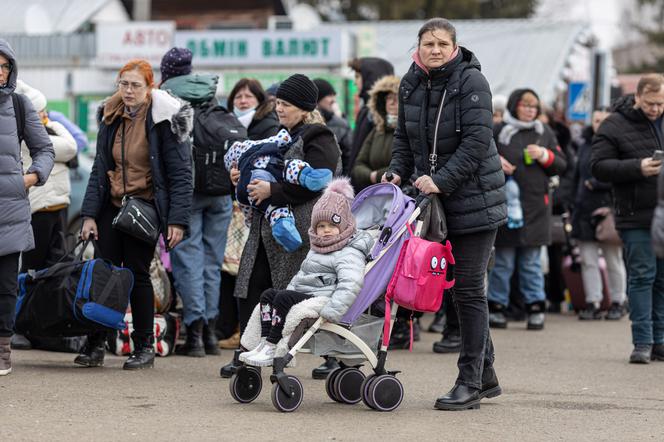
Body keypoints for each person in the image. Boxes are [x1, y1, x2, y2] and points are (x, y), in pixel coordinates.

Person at [384, 18, 506, 410]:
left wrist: (440, 180)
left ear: (454, 47)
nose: (434, 49)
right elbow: (404, 137)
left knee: (469, 290)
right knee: (454, 288)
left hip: (475, 201)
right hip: (434, 202)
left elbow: (477, 141)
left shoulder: (472, 82)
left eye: (442, 43)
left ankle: (469, 380)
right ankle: (485, 375)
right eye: (428, 43)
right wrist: (398, 169)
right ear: (417, 47)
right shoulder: (410, 82)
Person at [219, 73, 340, 378]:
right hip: (267, 226)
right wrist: (241, 178)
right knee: (251, 287)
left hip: (298, 230)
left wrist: (272, 191)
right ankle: (248, 352)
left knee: (299, 293)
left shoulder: (318, 136)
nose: (279, 109)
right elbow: (262, 167)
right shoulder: (281, 134)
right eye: (278, 103)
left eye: (285, 104)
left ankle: (333, 356)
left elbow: (318, 182)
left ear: (302, 106)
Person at [78, 59, 193, 370]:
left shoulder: (164, 120)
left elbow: (182, 174)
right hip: (111, 206)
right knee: (104, 274)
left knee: (138, 275)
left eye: (135, 85)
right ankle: (96, 344)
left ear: (149, 87)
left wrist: (177, 221)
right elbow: (99, 169)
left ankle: (144, 346)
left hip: (144, 209)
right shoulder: (110, 115)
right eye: (123, 84)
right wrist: (89, 214)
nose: (128, 91)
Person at [239, 178, 373, 366]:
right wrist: (288, 290)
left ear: (343, 226)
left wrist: (334, 310)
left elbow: (351, 283)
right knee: (269, 295)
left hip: (325, 296)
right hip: (307, 292)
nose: (326, 231)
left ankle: (273, 344)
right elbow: (301, 275)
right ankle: (263, 342)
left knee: (282, 298)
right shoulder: (317, 248)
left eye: (332, 226)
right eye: (321, 226)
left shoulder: (348, 252)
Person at [158, 47, 234, 357]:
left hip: (187, 192)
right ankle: (212, 334)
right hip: (220, 192)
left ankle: (195, 334)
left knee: (187, 261)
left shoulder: (167, 96)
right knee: (212, 263)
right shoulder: (210, 91)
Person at [592, 74, 664, 364]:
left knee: (662, 279)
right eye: (650, 103)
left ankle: (660, 340)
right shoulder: (614, 124)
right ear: (638, 96)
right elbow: (598, 167)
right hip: (635, 214)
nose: (656, 109)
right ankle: (643, 342)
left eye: (661, 104)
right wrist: (638, 167)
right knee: (643, 275)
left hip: (662, 212)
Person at [487, 88, 566, 331]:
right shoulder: (499, 131)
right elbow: (480, 157)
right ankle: (498, 308)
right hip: (506, 207)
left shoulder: (545, 132)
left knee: (531, 263)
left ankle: (535, 308)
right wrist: (496, 162)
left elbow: (562, 165)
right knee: (503, 263)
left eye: (534, 106)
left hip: (535, 208)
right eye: (526, 105)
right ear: (514, 106)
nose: (531, 110)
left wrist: (545, 155)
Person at [0, 39, 54, 376]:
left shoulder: (19, 105)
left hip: (10, 212)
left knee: (5, 287)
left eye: (5, 66)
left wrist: (31, 178)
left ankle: (2, 351)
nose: (1, 71)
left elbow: (45, 149)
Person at [10, 81, 77, 351]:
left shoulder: (48, 129)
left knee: (55, 271)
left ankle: (45, 326)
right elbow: (67, 149)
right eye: (40, 112)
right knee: (30, 272)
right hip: (37, 210)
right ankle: (19, 326)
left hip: (58, 207)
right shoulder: (25, 134)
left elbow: (72, 144)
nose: (45, 116)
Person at [219, 78, 281, 351]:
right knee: (238, 272)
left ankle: (251, 337)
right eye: (238, 96)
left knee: (248, 274)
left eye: (248, 96)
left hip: (260, 209)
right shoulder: (234, 126)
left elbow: (265, 165)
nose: (242, 101)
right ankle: (243, 334)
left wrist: (241, 173)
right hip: (242, 206)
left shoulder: (266, 127)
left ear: (260, 100)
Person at [224, 129, 333, 252]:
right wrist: (283, 137)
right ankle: (309, 176)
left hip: (262, 194)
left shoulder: (318, 135)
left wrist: (250, 219)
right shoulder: (254, 146)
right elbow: (276, 140)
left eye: (286, 107)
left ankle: (283, 227)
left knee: (275, 211)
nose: (279, 109)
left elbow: (244, 204)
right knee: (291, 168)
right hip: (273, 169)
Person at [572, 108, 626, 320]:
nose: (599, 124)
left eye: (604, 120)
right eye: (596, 120)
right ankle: (593, 302)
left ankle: (618, 301)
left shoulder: (619, 145)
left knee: (613, 259)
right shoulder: (585, 145)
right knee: (588, 260)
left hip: (609, 210)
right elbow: (576, 176)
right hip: (584, 209)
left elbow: (621, 173)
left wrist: (597, 183)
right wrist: (571, 202)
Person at [351, 75, 399, 192]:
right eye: (388, 98)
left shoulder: (409, 131)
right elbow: (357, 166)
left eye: (397, 97)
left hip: (400, 195)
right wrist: (373, 176)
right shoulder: (377, 131)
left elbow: (407, 165)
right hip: (376, 194)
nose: (392, 102)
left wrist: (376, 175)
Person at [347, 57, 394, 175]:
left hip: (379, 189)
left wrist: (373, 176)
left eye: (357, 77)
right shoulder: (366, 111)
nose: (354, 82)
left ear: (370, 77)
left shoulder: (379, 114)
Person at [313, 78, 353, 172]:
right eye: (330, 96)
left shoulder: (341, 124)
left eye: (334, 96)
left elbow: (349, 157)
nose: (333, 100)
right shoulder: (306, 122)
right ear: (318, 99)